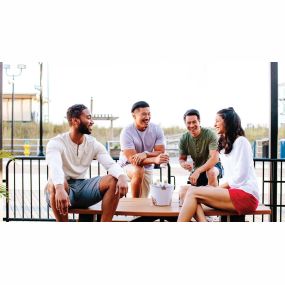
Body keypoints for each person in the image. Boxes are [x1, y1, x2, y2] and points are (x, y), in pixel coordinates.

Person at [46, 104, 128, 222]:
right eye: (88, 118)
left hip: (82, 188)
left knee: (113, 180)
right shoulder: (56, 143)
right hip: (62, 189)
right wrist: (59, 188)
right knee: (55, 183)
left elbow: (110, 164)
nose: (92, 122)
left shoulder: (93, 143)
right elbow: (55, 167)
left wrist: (122, 176)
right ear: (75, 121)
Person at [178, 107, 260, 222]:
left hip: (246, 195)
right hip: (232, 193)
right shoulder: (225, 143)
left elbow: (239, 179)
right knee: (185, 191)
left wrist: (213, 189)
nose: (214, 124)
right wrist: (210, 189)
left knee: (192, 192)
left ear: (227, 122)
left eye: (217, 121)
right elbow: (229, 176)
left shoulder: (242, 142)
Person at [119, 101, 169, 198]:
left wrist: (145, 154)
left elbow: (160, 151)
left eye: (149, 114)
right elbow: (133, 160)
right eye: (144, 114)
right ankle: (135, 205)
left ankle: (139, 209)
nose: (147, 117)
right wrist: (154, 159)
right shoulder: (126, 131)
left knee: (144, 198)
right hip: (127, 165)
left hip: (148, 166)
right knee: (139, 169)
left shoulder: (157, 129)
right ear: (134, 116)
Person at [178, 109, 223, 205]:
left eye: (194, 122)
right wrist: (184, 164)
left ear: (199, 121)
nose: (191, 125)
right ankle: (191, 216)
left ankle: (214, 211)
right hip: (196, 170)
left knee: (210, 172)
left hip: (214, 166)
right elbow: (181, 159)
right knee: (183, 193)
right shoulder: (184, 138)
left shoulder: (210, 134)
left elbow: (214, 158)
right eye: (188, 123)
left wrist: (198, 171)